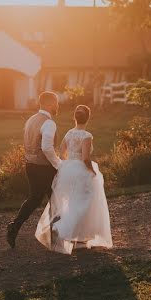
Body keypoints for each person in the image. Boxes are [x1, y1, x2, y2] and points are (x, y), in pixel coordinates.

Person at [35, 104, 112, 254]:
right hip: (81, 171)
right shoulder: (86, 136)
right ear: (88, 118)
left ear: (74, 118)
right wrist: (93, 172)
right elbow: (85, 158)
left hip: (68, 170)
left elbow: (61, 151)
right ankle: (68, 231)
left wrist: (68, 163)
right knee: (85, 203)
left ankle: (77, 237)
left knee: (73, 202)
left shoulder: (69, 133)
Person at [6, 91, 62, 248]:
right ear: (50, 104)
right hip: (44, 167)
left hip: (30, 165)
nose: (58, 106)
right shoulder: (49, 123)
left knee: (35, 199)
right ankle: (56, 235)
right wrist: (58, 164)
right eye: (56, 102)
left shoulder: (31, 119)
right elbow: (46, 147)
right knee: (55, 198)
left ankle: (14, 227)